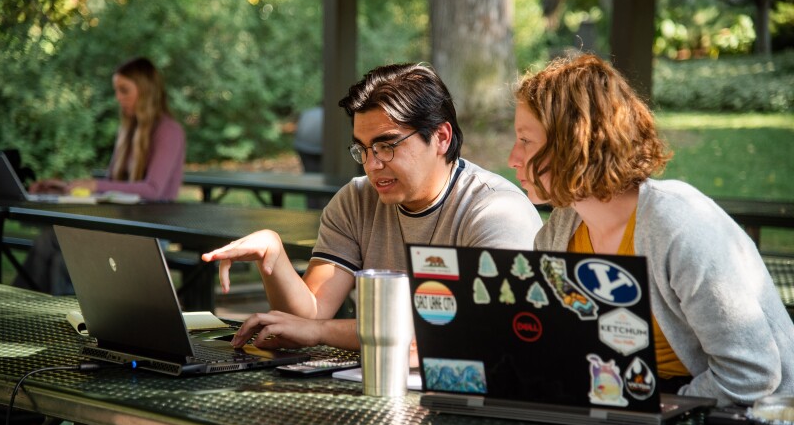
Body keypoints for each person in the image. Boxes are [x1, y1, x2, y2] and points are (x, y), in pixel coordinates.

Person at [508, 53, 794, 406]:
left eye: (525, 140)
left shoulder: (678, 226)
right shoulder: (558, 233)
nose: (512, 159)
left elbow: (751, 375)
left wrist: (651, 408)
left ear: (576, 142)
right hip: (632, 409)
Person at [203, 62, 543, 352]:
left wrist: (323, 332)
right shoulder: (356, 201)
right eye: (362, 149)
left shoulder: (497, 212)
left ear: (441, 137)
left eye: (386, 145)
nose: (371, 164)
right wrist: (273, 259)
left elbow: (472, 331)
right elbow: (307, 320)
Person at [15, 57, 186, 294]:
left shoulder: (169, 130)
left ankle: (65, 326)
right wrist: (66, 187)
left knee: (65, 262)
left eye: (124, 90)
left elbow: (153, 189)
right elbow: (112, 186)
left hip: (150, 233)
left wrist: (95, 184)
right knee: (48, 239)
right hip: (119, 224)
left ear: (146, 90)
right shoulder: (128, 131)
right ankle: (18, 316)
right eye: (117, 90)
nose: (118, 97)